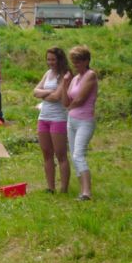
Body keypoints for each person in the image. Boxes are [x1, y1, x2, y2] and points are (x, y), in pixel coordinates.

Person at [62, 45, 97, 201]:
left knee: (78, 155)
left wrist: (69, 107)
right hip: (72, 120)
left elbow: (81, 99)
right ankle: (82, 189)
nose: (75, 64)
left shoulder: (90, 75)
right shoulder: (75, 78)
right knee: (74, 155)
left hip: (85, 120)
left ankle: (86, 192)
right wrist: (64, 84)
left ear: (86, 61)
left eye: (78, 61)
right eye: (73, 61)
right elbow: (65, 101)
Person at [33, 47, 70, 194]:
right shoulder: (48, 74)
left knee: (61, 154)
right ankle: (50, 187)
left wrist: (45, 95)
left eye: (53, 59)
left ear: (60, 59)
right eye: (48, 59)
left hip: (58, 118)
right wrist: (49, 92)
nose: (50, 62)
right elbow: (35, 91)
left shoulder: (66, 75)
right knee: (46, 153)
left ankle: (64, 188)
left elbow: (57, 97)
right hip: (43, 117)